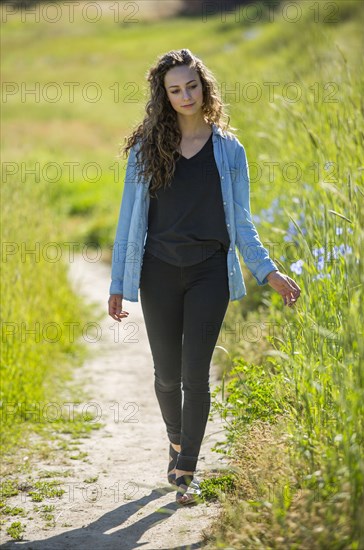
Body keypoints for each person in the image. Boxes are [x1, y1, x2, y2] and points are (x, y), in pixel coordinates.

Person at [108, 49, 301, 506]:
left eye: (191, 86)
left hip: (209, 273)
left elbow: (242, 221)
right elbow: (128, 219)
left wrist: (267, 271)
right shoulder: (146, 149)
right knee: (165, 375)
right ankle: (176, 440)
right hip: (157, 272)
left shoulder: (229, 150)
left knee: (195, 374)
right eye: (175, 90)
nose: (185, 95)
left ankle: (186, 470)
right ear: (164, 96)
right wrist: (119, 282)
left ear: (204, 86)